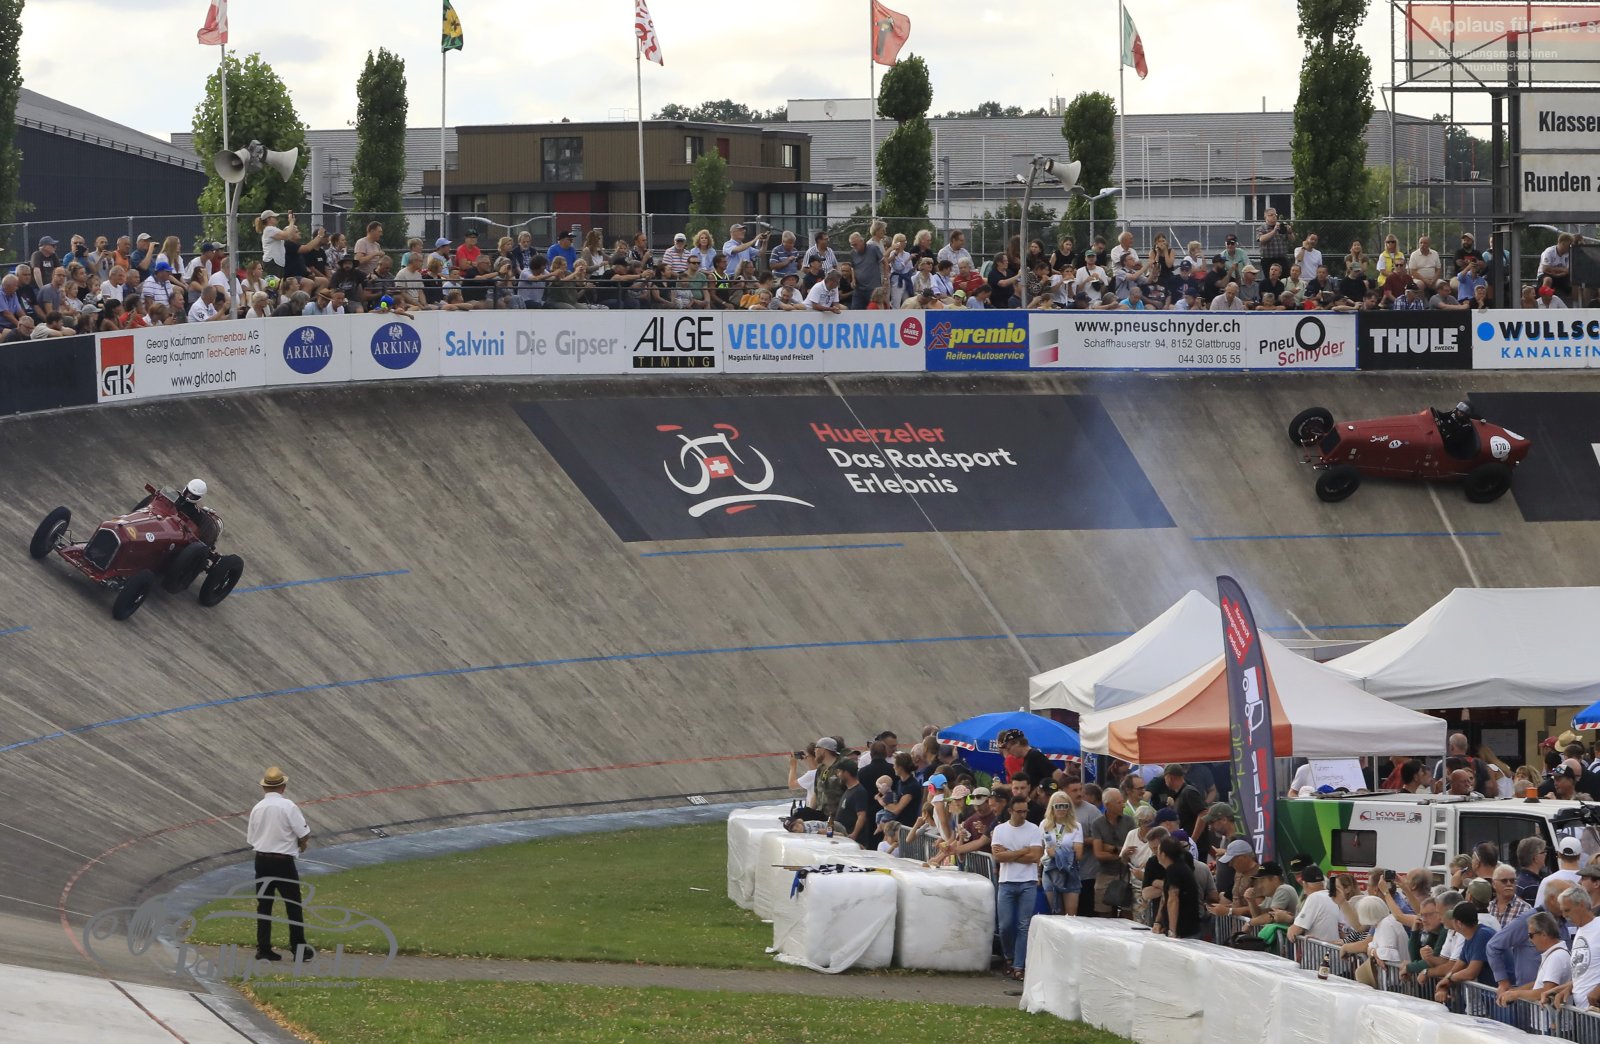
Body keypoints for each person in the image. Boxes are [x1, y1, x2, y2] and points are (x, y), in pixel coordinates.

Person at [246, 765, 314, 962]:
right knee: (293, 905)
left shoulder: (257, 808)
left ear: (264, 787)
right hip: (283, 862)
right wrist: (300, 844)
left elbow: (251, 839)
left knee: (264, 906)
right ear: (283, 787)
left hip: (261, 861)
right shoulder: (288, 806)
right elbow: (304, 833)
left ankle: (263, 948)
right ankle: (299, 948)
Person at [991, 794, 1045, 980]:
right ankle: (1009, 956)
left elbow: (1035, 856)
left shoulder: (1033, 829)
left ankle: (1019, 965)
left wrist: (1010, 853)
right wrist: (1022, 851)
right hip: (1006, 881)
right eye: (1019, 812)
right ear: (1010, 811)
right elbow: (998, 856)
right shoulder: (1000, 830)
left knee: (1023, 925)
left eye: (1025, 812)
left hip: (1027, 882)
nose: (1023, 815)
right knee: (1005, 925)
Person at [1040, 792, 1083, 916]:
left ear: (1069, 807)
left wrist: (1057, 853)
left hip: (1070, 870)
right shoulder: (1044, 824)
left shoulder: (1076, 826)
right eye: (1058, 806)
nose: (1062, 809)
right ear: (1052, 807)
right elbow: (1039, 850)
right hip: (1050, 869)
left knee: (1071, 916)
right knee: (1056, 914)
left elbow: (1078, 854)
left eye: (1065, 806)